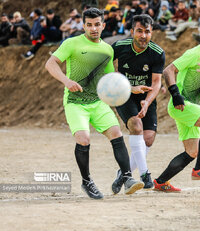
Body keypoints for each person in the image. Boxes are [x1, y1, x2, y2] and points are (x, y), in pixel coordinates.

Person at [45, 8, 144, 199]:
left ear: (103, 25)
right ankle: (87, 181)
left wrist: (130, 88)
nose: (93, 28)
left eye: (97, 24)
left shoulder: (107, 49)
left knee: (116, 133)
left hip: (97, 102)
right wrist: (67, 81)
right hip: (75, 102)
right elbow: (51, 63)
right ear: (83, 26)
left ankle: (127, 177)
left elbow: (109, 78)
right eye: (89, 25)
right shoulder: (72, 43)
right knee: (84, 139)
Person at [153, 17, 200, 192]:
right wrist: (176, 95)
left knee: (192, 152)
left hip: (188, 106)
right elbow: (169, 70)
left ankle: (161, 182)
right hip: (181, 104)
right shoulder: (194, 53)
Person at [112, 14, 164, 189]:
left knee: (148, 139)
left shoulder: (157, 53)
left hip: (146, 96)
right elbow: (107, 71)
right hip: (124, 94)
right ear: (132, 31)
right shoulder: (119, 46)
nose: (143, 35)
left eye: (147, 32)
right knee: (136, 126)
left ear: (152, 33)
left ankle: (123, 174)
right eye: (139, 31)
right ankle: (144, 173)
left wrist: (147, 102)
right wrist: (125, 85)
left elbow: (157, 83)